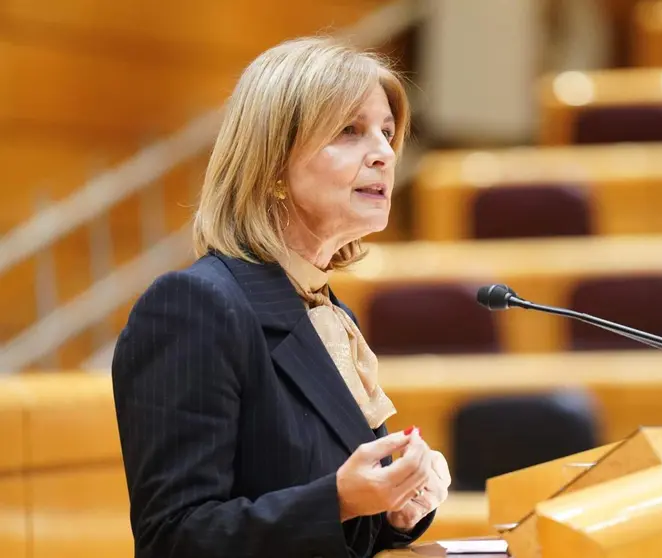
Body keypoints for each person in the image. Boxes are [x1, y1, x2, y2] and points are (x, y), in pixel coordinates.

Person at [111, 36, 450, 558]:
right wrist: (336, 499)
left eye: (386, 133)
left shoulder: (326, 310)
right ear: (273, 164)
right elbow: (172, 539)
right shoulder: (194, 308)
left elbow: (337, 528)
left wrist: (397, 509)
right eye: (350, 131)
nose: (384, 153)